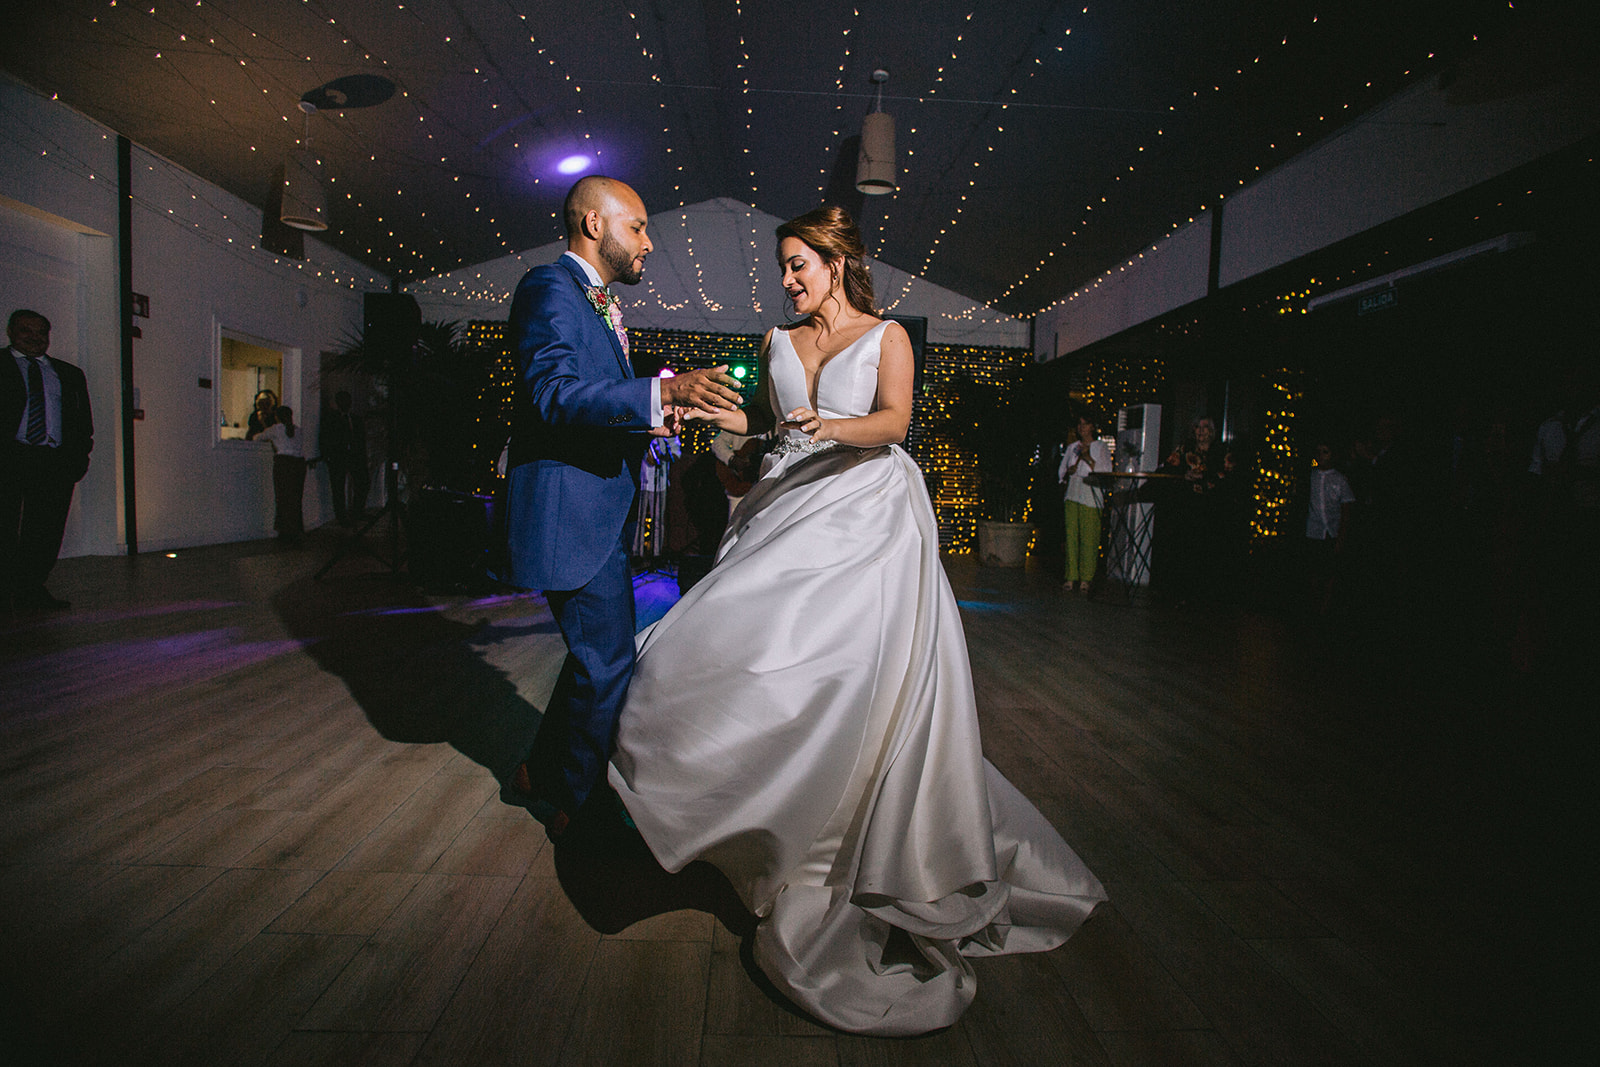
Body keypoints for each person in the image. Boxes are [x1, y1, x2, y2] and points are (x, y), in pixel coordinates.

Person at [608, 206, 1105, 1036]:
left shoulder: (889, 337)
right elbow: (763, 430)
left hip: (867, 507)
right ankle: (743, 813)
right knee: (723, 645)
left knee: (847, 669)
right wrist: (715, 419)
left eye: (801, 264)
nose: (790, 279)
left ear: (839, 264)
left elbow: (894, 424)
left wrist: (828, 427)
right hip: (787, 506)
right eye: (785, 268)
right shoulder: (776, 342)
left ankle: (843, 836)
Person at [502, 175, 742, 838]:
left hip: (593, 513)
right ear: (591, 226)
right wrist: (657, 394)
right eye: (636, 226)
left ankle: (539, 772)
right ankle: (578, 810)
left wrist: (661, 414)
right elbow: (555, 394)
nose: (648, 241)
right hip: (569, 515)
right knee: (608, 661)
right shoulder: (549, 289)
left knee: (595, 657)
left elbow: (592, 399)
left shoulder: (595, 301)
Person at [2, 309, 93, 612]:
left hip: (53, 461)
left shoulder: (69, 374)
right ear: (11, 331)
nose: (35, 337)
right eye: (27, 330)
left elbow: (82, 422)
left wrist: (78, 458)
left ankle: (30, 588)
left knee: (45, 529)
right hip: (10, 457)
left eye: (41, 332)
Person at [1058, 415, 1109, 594]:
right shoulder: (1072, 447)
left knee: (1089, 538)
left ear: (1092, 427)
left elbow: (1104, 472)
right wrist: (1068, 471)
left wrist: (1088, 459)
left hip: (1090, 494)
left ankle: (1086, 578)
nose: (1081, 428)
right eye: (1079, 424)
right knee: (1071, 537)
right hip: (1073, 493)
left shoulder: (1101, 447)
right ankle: (1071, 577)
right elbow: (1062, 471)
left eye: (1085, 424)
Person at [1303, 440, 1356, 614]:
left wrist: (1341, 537)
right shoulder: (1311, 475)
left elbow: (1347, 510)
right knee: (1314, 572)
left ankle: (1325, 608)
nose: (1321, 456)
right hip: (1314, 531)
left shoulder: (1339, 479)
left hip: (1331, 533)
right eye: (1319, 451)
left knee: (1329, 571)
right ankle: (1313, 605)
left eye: (1325, 452)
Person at [318, 389, 368, 525]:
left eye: (348, 401)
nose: (347, 403)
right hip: (338, 458)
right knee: (338, 488)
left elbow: (361, 440)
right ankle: (341, 516)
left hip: (355, 457)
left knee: (362, 483)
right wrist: (327, 456)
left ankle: (357, 511)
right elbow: (325, 438)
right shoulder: (332, 419)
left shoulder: (355, 419)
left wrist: (362, 456)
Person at [258, 404, 306, 543]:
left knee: (283, 498)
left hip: (284, 464)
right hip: (299, 465)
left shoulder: (276, 429)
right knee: (296, 499)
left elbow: (258, 437)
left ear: (277, 417)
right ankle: (296, 530)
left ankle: (285, 531)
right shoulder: (298, 430)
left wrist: (262, 424)